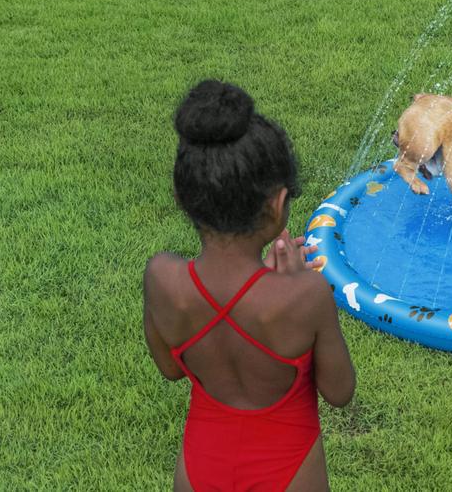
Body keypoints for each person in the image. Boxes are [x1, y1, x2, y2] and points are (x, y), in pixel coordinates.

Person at [143, 79, 356, 491]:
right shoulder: (305, 296)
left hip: (200, 463)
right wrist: (292, 285)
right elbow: (340, 391)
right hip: (290, 468)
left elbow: (171, 369)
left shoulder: (161, 277)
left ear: (181, 195)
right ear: (277, 204)